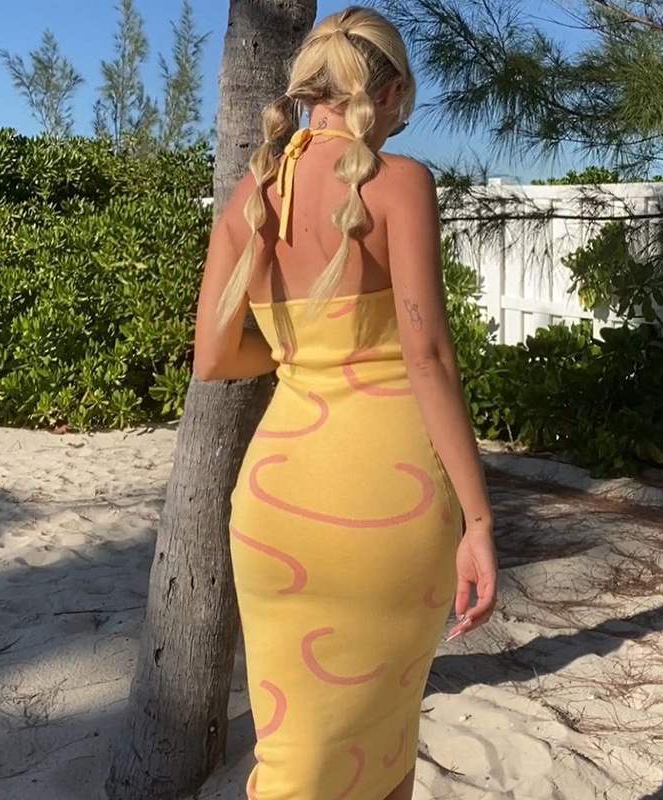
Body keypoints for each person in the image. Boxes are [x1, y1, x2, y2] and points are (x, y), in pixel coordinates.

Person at [192, 6, 497, 799]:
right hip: (386, 503)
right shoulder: (401, 186)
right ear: (389, 94)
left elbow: (214, 358)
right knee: (383, 737)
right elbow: (428, 358)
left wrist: (300, 355)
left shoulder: (250, 199)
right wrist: (479, 522)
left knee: (294, 749)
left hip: (276, 502)